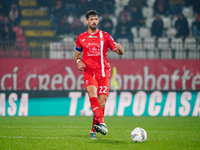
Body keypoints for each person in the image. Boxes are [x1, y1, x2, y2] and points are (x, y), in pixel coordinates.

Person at [74, 10, 124, 139]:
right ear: (87, 21)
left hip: (103, 73)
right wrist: (79, 61)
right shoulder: (81, 38)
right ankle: (102, 123)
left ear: (98, 21)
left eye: (96, 19)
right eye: (91, 19)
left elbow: (118, 52)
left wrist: (121, 50)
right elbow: (76, 55)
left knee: (102, 103)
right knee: (92, 95)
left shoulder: (106, 36)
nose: (94, 21)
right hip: (89, 73)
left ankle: (93, 131)